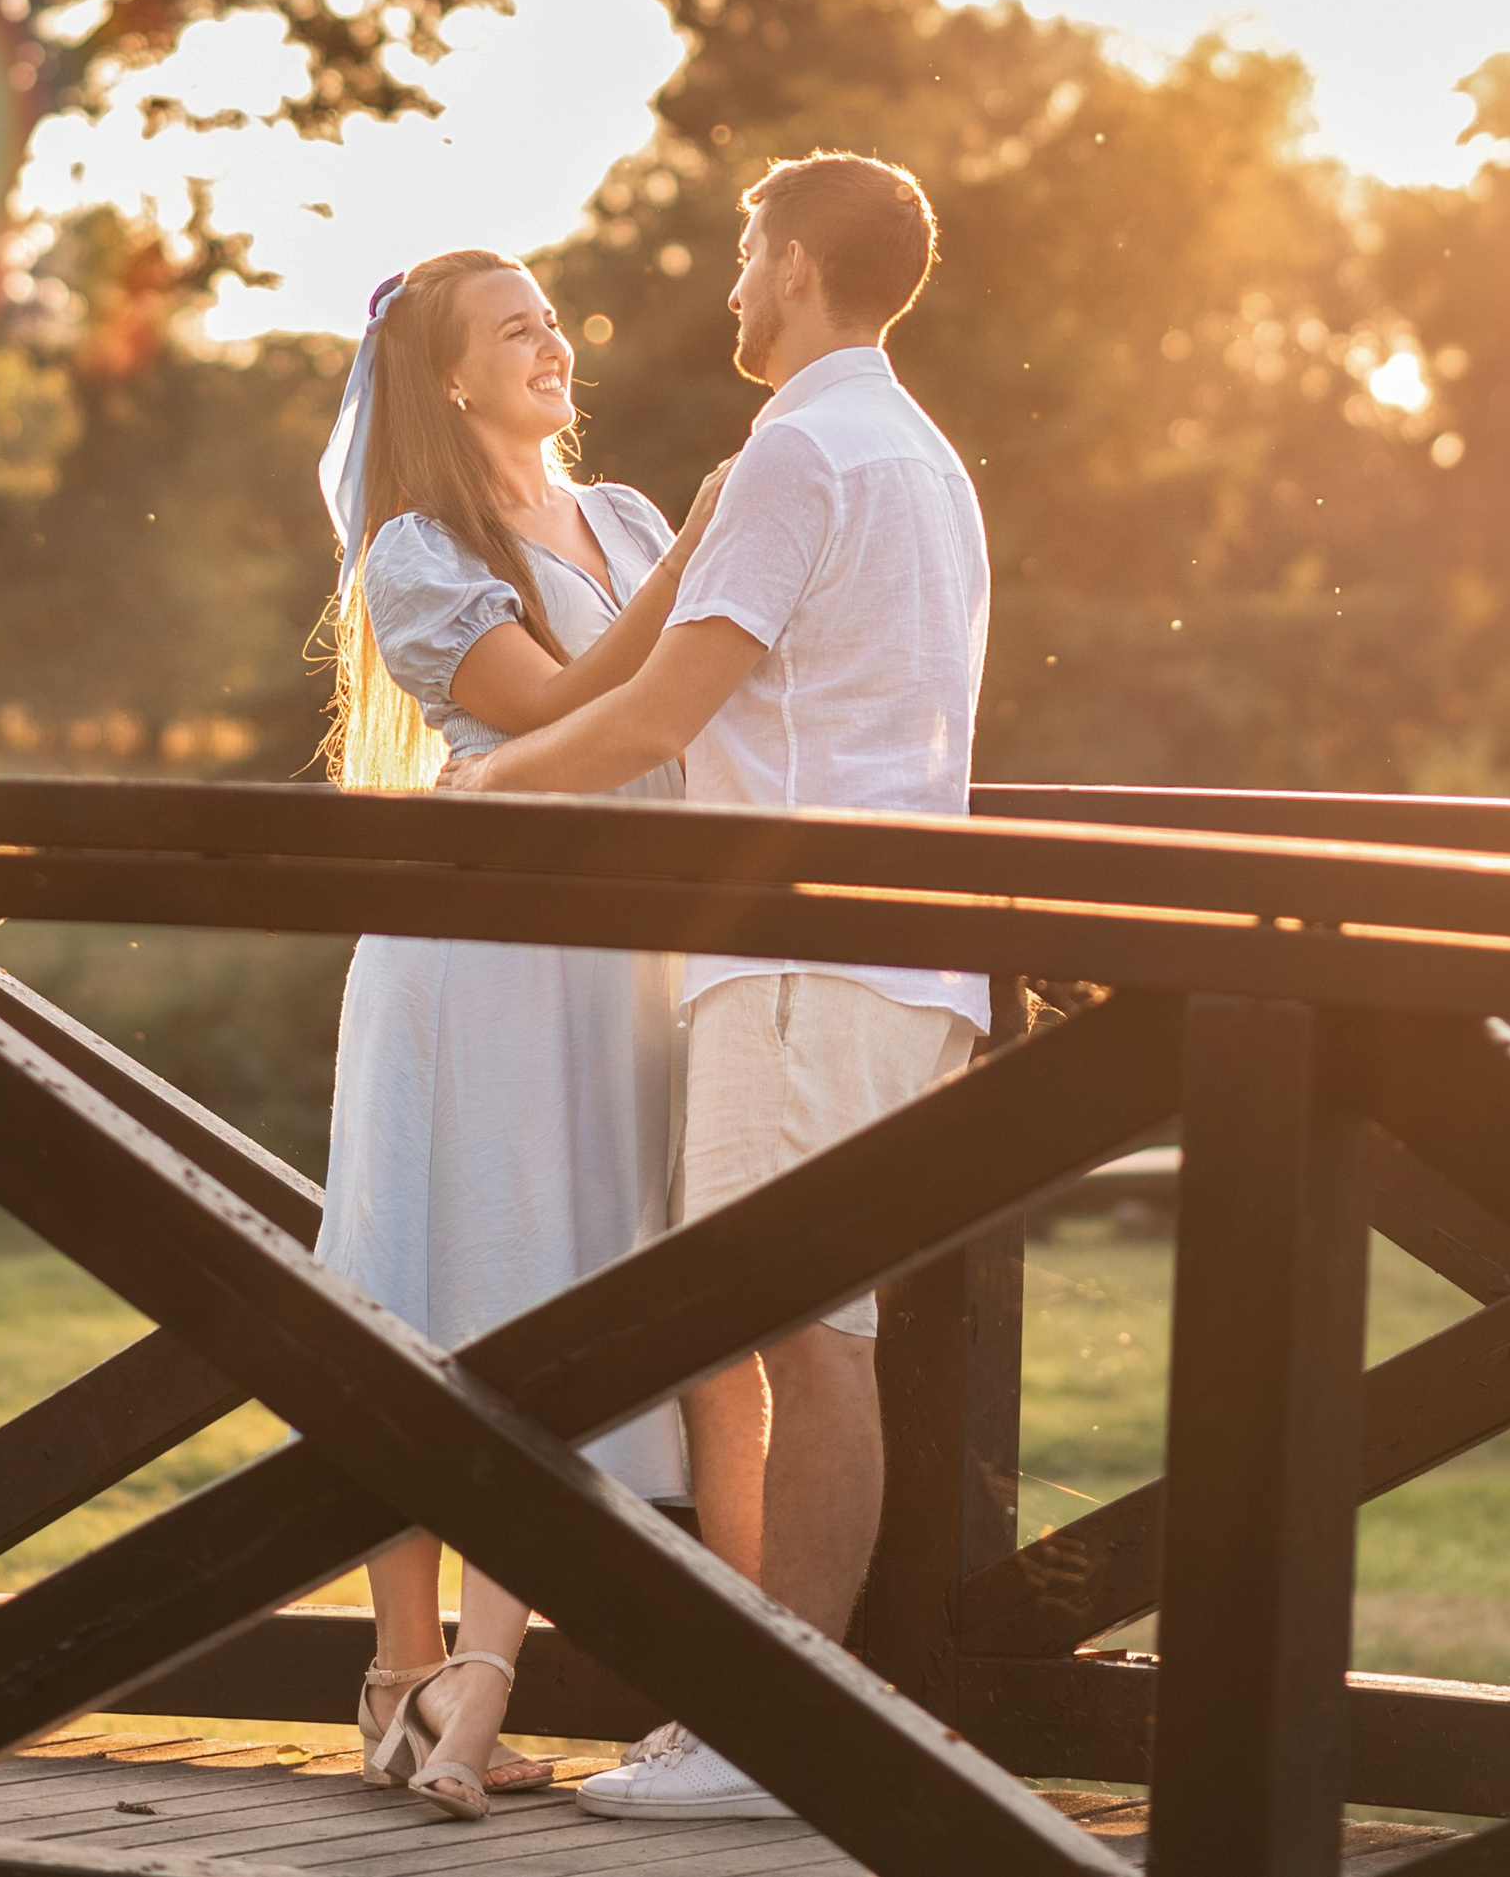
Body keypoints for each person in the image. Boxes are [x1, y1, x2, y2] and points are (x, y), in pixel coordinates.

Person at [442, 151, 989, 1826]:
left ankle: (774, 1732)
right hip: (910, 963)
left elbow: (659, 717)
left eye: (749, 254)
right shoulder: (925, 454)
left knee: (806, 1343)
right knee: (820, 1335)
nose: (731, 285)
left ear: (803, 263)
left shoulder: (798, 448)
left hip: (806, 959)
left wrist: (477, 792)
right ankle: (784, 1710)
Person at [312, 246, 725, 1822]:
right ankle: (410, 1669)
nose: (551, 342)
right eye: (513, 328)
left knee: (573, 1277)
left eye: (552, 318)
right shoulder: (418, 552)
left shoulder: (619, 520)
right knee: (433, 1271)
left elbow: (690, 718)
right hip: (476, 958)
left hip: (611, 962)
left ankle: (467, 1673)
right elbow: (558, 712)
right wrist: (693, 576)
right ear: (449, 377)